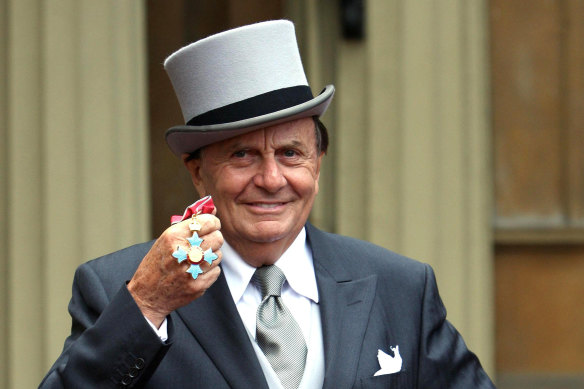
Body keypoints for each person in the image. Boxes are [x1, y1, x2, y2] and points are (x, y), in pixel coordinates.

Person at [39, 20, 495, 388]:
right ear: (198, 173)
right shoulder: (120, 289)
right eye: (242, 155)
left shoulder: (401, 288)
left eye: (291, 154)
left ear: (318, 163)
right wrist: (148, 306)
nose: (271, 179)